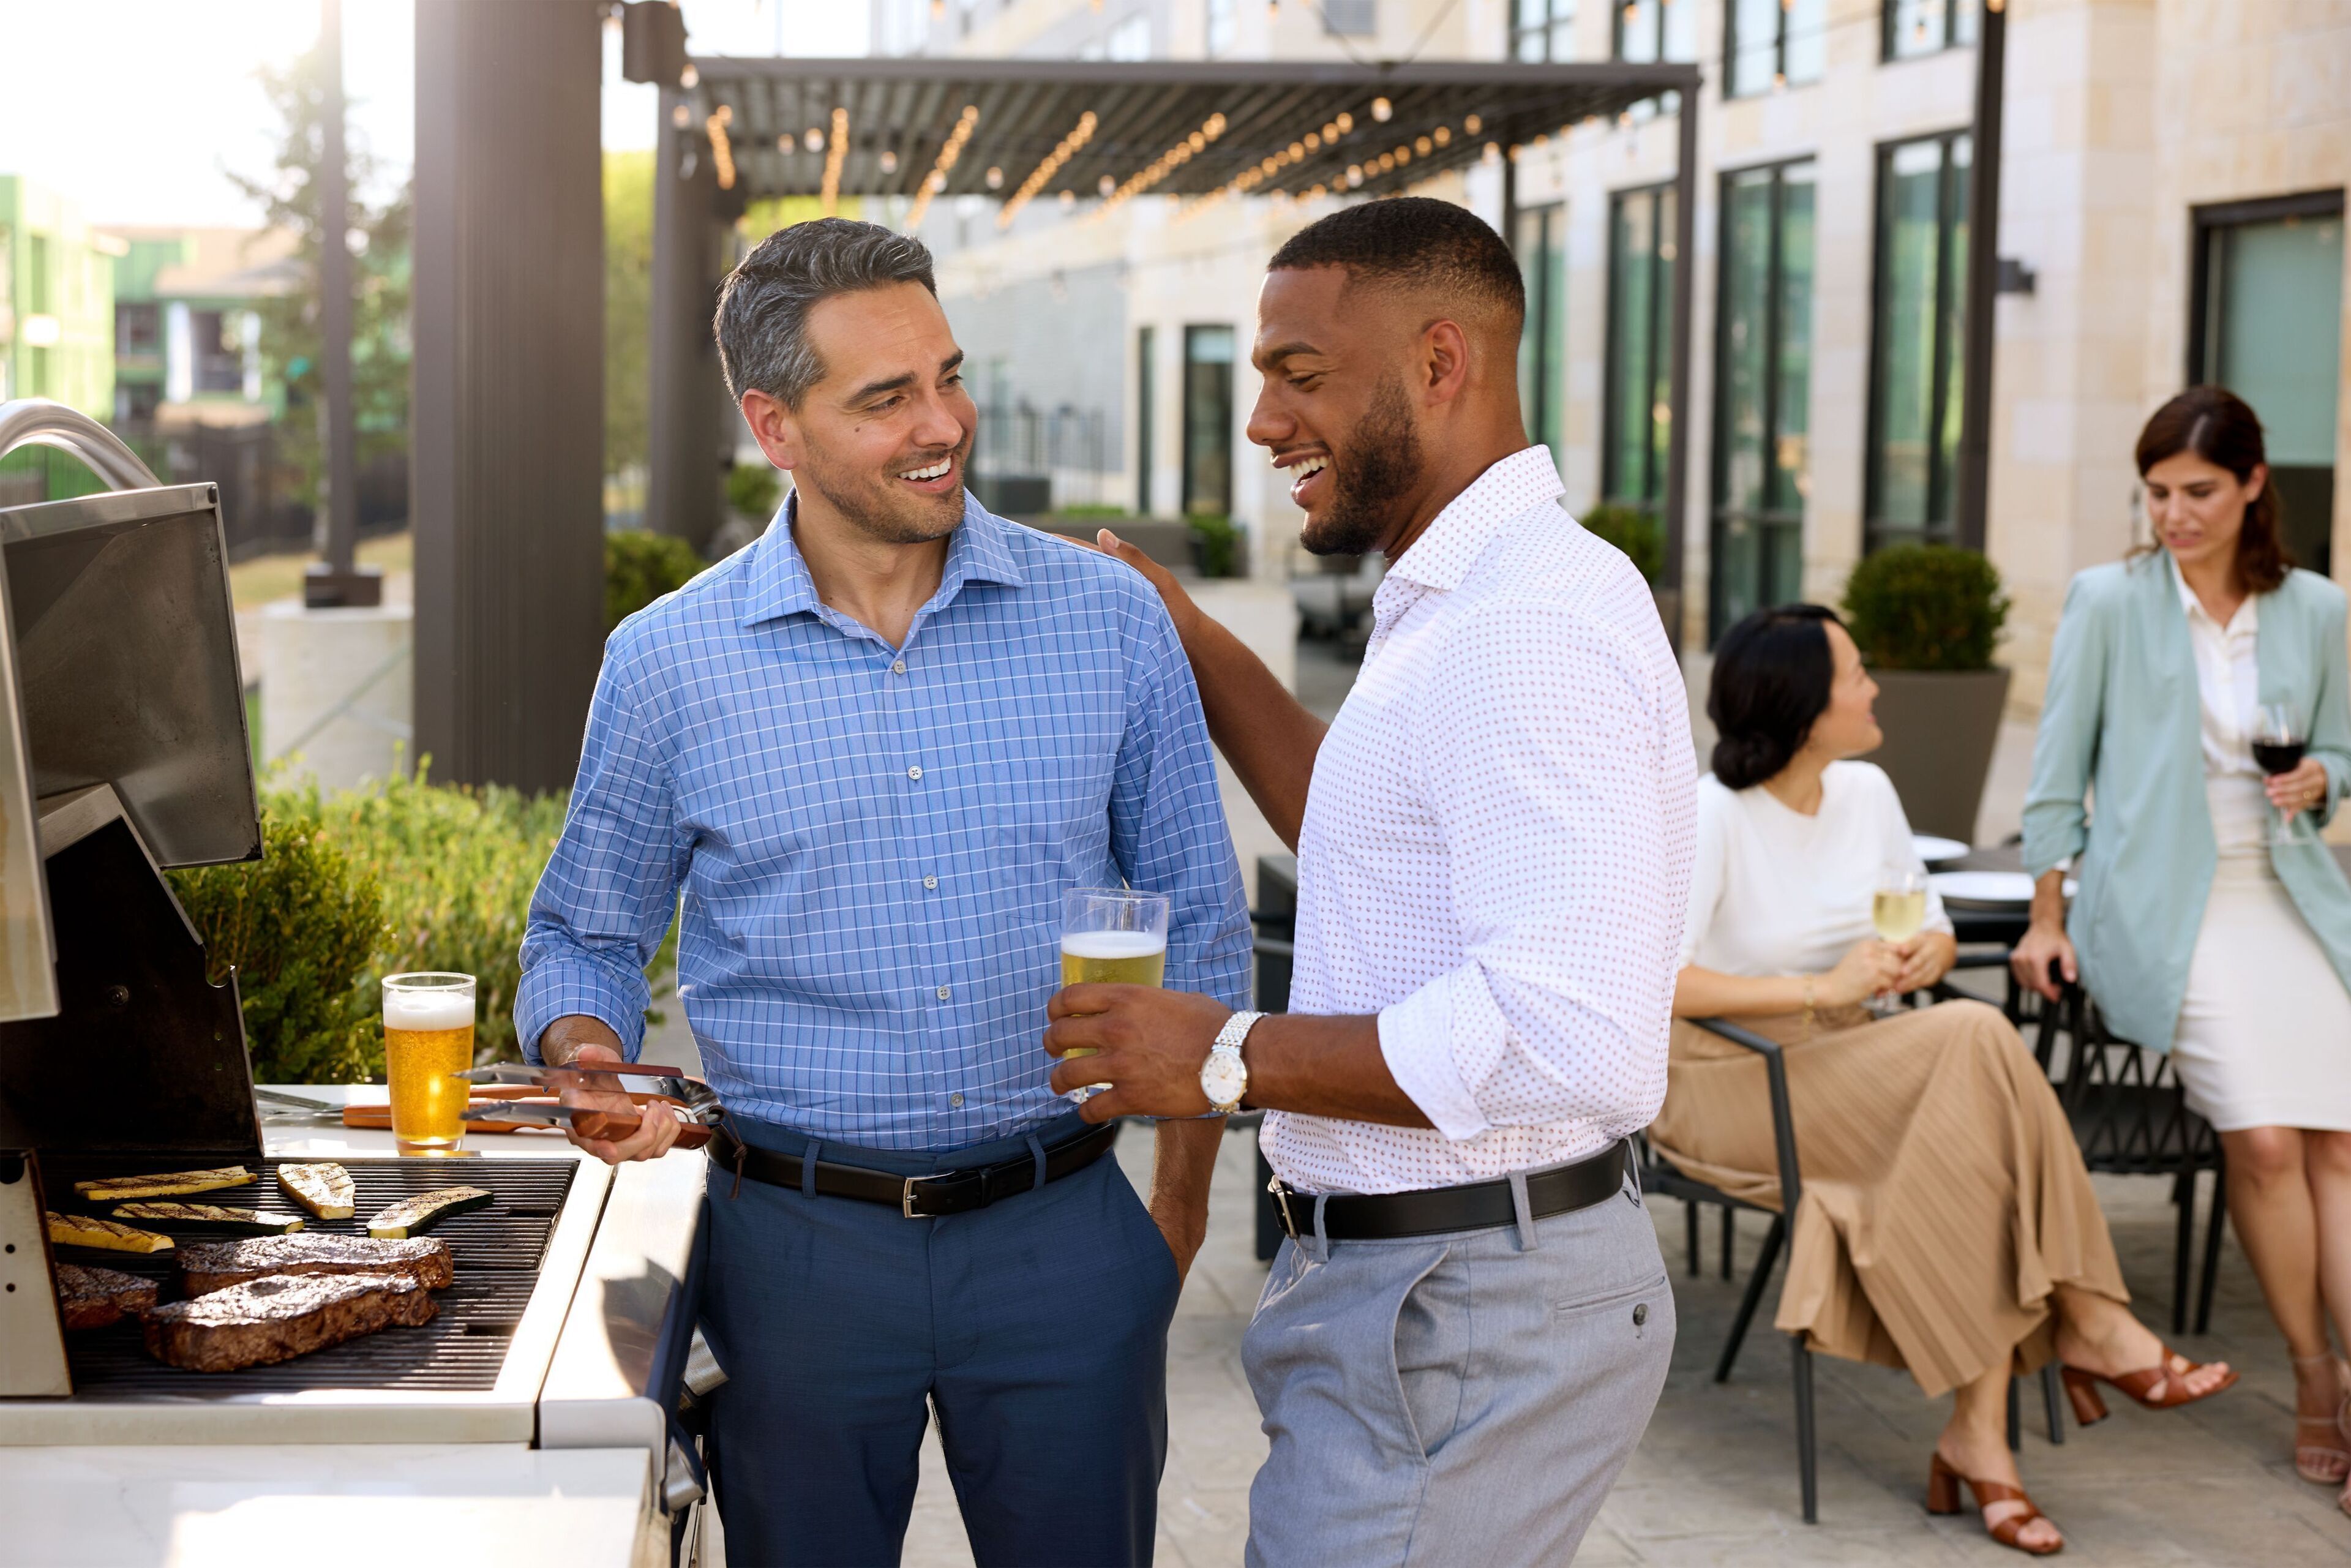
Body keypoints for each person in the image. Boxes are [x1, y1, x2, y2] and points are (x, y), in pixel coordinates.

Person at [514, 218, 1251, 1567]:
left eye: (948, 376)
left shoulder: (1111, 621)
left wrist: (1175, 1216)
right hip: (787, 1254)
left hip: (1066, 1235)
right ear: (773, 425)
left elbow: (1203, 918)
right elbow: (583, 928)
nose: (944, 423)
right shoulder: (668, 662)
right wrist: (589, 1054)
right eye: (886, 398)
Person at [1048, 197, 1687, 1564]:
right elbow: (1365, 826)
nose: (1264, 420)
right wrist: (1191, 637)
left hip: (1466, 1309)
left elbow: (1568, 1038)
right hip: (1438, 1295)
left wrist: (1226, 1057)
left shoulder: (1524, 629)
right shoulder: (1468, 592)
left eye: (1302, 374)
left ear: (1440, 363)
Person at [1655, 603, 2235, 1556]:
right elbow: (1658, 984)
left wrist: (1927, 950)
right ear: (1803, 706)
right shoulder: (1710, 815)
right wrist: (1818, 988)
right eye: (1856, 674)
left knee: (1974, 1133)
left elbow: (1928, 919)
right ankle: (2091, 1318)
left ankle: (1981, 1435)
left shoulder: (1869, 793)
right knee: (1975, 1034)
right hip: (1731, 1078)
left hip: (1853, 1057)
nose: (1876, 685)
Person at [2015, 384, 2351, 1518]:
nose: (2174, 513)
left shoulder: (2315, 608)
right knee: (2262, 1141)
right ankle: (2315, 1376)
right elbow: (2057, 776)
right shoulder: (2108, 602)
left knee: (2339, 1146)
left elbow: (2343, 746)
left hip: (2291, 893)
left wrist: (2325, 779)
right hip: (2168, 904)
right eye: (2157, 493)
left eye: (2198, 491)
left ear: (2254, 485)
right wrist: (2047, 914)